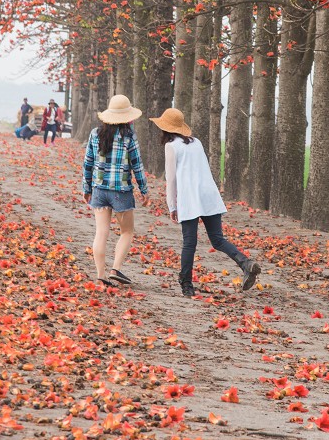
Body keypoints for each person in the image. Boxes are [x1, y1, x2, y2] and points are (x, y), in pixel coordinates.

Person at [150, 107, 261, 298]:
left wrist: (172, 205)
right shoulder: (196, 142)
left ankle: (186, 285)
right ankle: (245, 263)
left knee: (189, 243)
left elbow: (172, 179)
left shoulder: (171, 146)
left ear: (165, 128)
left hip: (190, 197)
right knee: (217, 239)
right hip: (208, 194)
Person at [82, 94, 149, 287]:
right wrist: (144, 189)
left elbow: (88, 163)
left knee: (101, 232)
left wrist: (86, 188)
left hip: (99, 190)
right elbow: (137, 165)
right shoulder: (129, 136)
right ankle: (115, 269)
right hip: (121, 191)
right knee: (127, 231)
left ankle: (101, 274)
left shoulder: (95, 134)